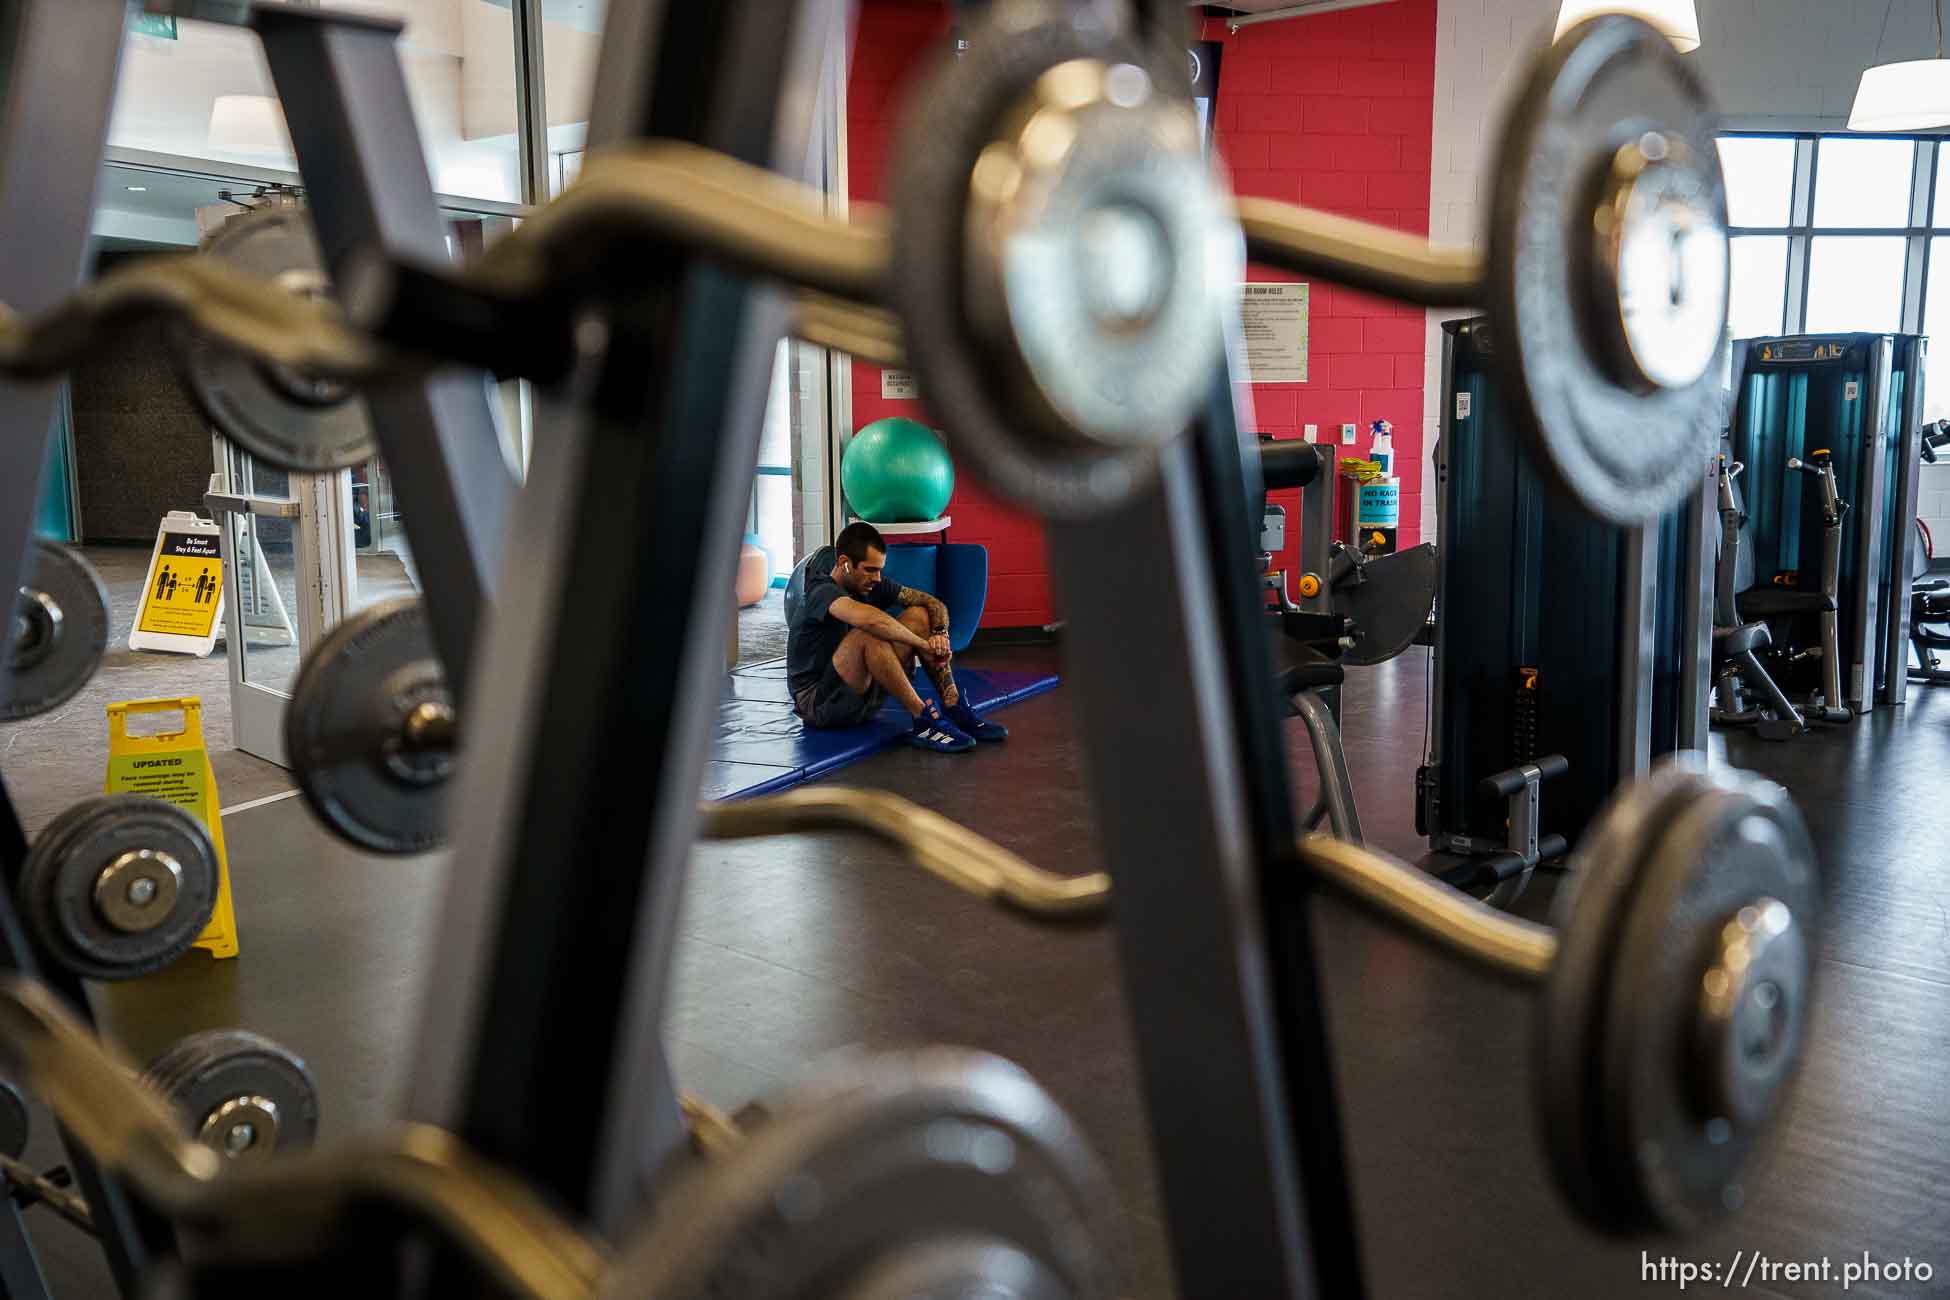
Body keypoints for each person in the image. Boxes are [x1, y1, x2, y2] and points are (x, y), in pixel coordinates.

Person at [786, 522, 1008, 753]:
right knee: (868, 633)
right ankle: (923, 720)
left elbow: (932, 603)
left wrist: (940, 636)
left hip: (860, 697)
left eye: (880, 569)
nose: (877, 578)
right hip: (820, 705)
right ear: (845, 564)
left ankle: (953, 706)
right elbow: (872, 621)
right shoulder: (821, 591)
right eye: (870, 569)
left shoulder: (871, 584)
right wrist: (925, 646)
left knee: (919, 615)